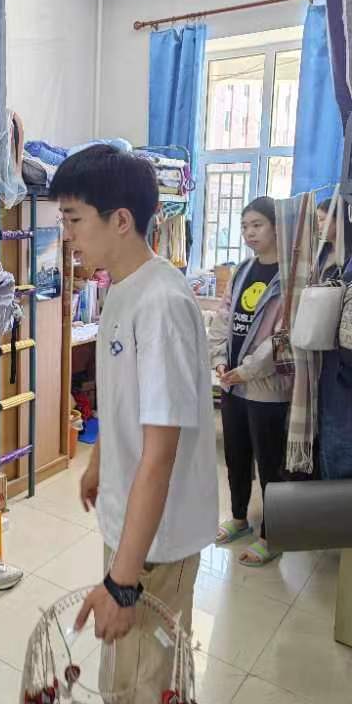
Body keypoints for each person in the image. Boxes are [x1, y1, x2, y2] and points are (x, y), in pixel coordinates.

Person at [49, 145, 218, 702]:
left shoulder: (162, 304)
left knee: (144, 683)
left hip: (159, 538)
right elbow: (124, 396)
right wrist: (99, 461)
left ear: (120, 220)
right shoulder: (122, 288)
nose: (67, 234)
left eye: (74, 219)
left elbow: (161, 454)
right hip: (131, 522)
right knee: (124, 673)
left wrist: (123, 584)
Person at [209, 196, 292, 567]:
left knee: (271, 463)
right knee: (236, 456)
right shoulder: (243, 269)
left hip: (266, 389)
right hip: (233, 384)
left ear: (276, 227)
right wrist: (219, 360)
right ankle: (240, 518)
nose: (249, 233)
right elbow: (223, 317)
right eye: (244, 226)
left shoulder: (290, 276)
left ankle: (272, 535)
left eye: (257, 225)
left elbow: (284, 336)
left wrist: (248, 370)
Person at [316, 197, 352, 479]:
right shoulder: (320, 255)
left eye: (323, 219)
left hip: (341, 361)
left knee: (338, 435)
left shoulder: (346, 260)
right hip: (325, 354)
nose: (319, 225)